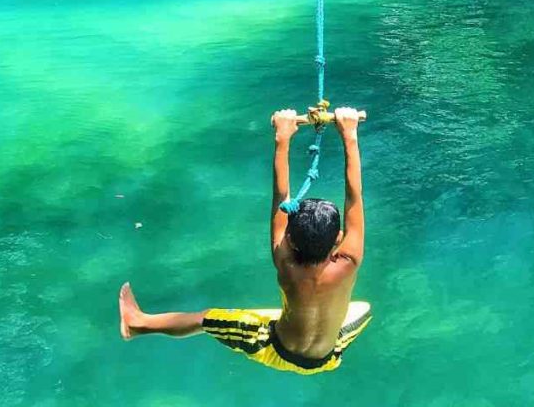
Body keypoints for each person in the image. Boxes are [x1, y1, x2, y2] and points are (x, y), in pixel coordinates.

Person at [118, 106, 370, 375]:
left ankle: (137, 324)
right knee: (364, 309)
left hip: (274, 348)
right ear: (338, 240)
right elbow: (354, 197)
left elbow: (280, 197)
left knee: (205, 318)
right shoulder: (350, 261)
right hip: (328, 357)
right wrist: (349, 134)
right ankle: (305, 318)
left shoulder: (285, 263)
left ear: (291, 241)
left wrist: (282, 137)